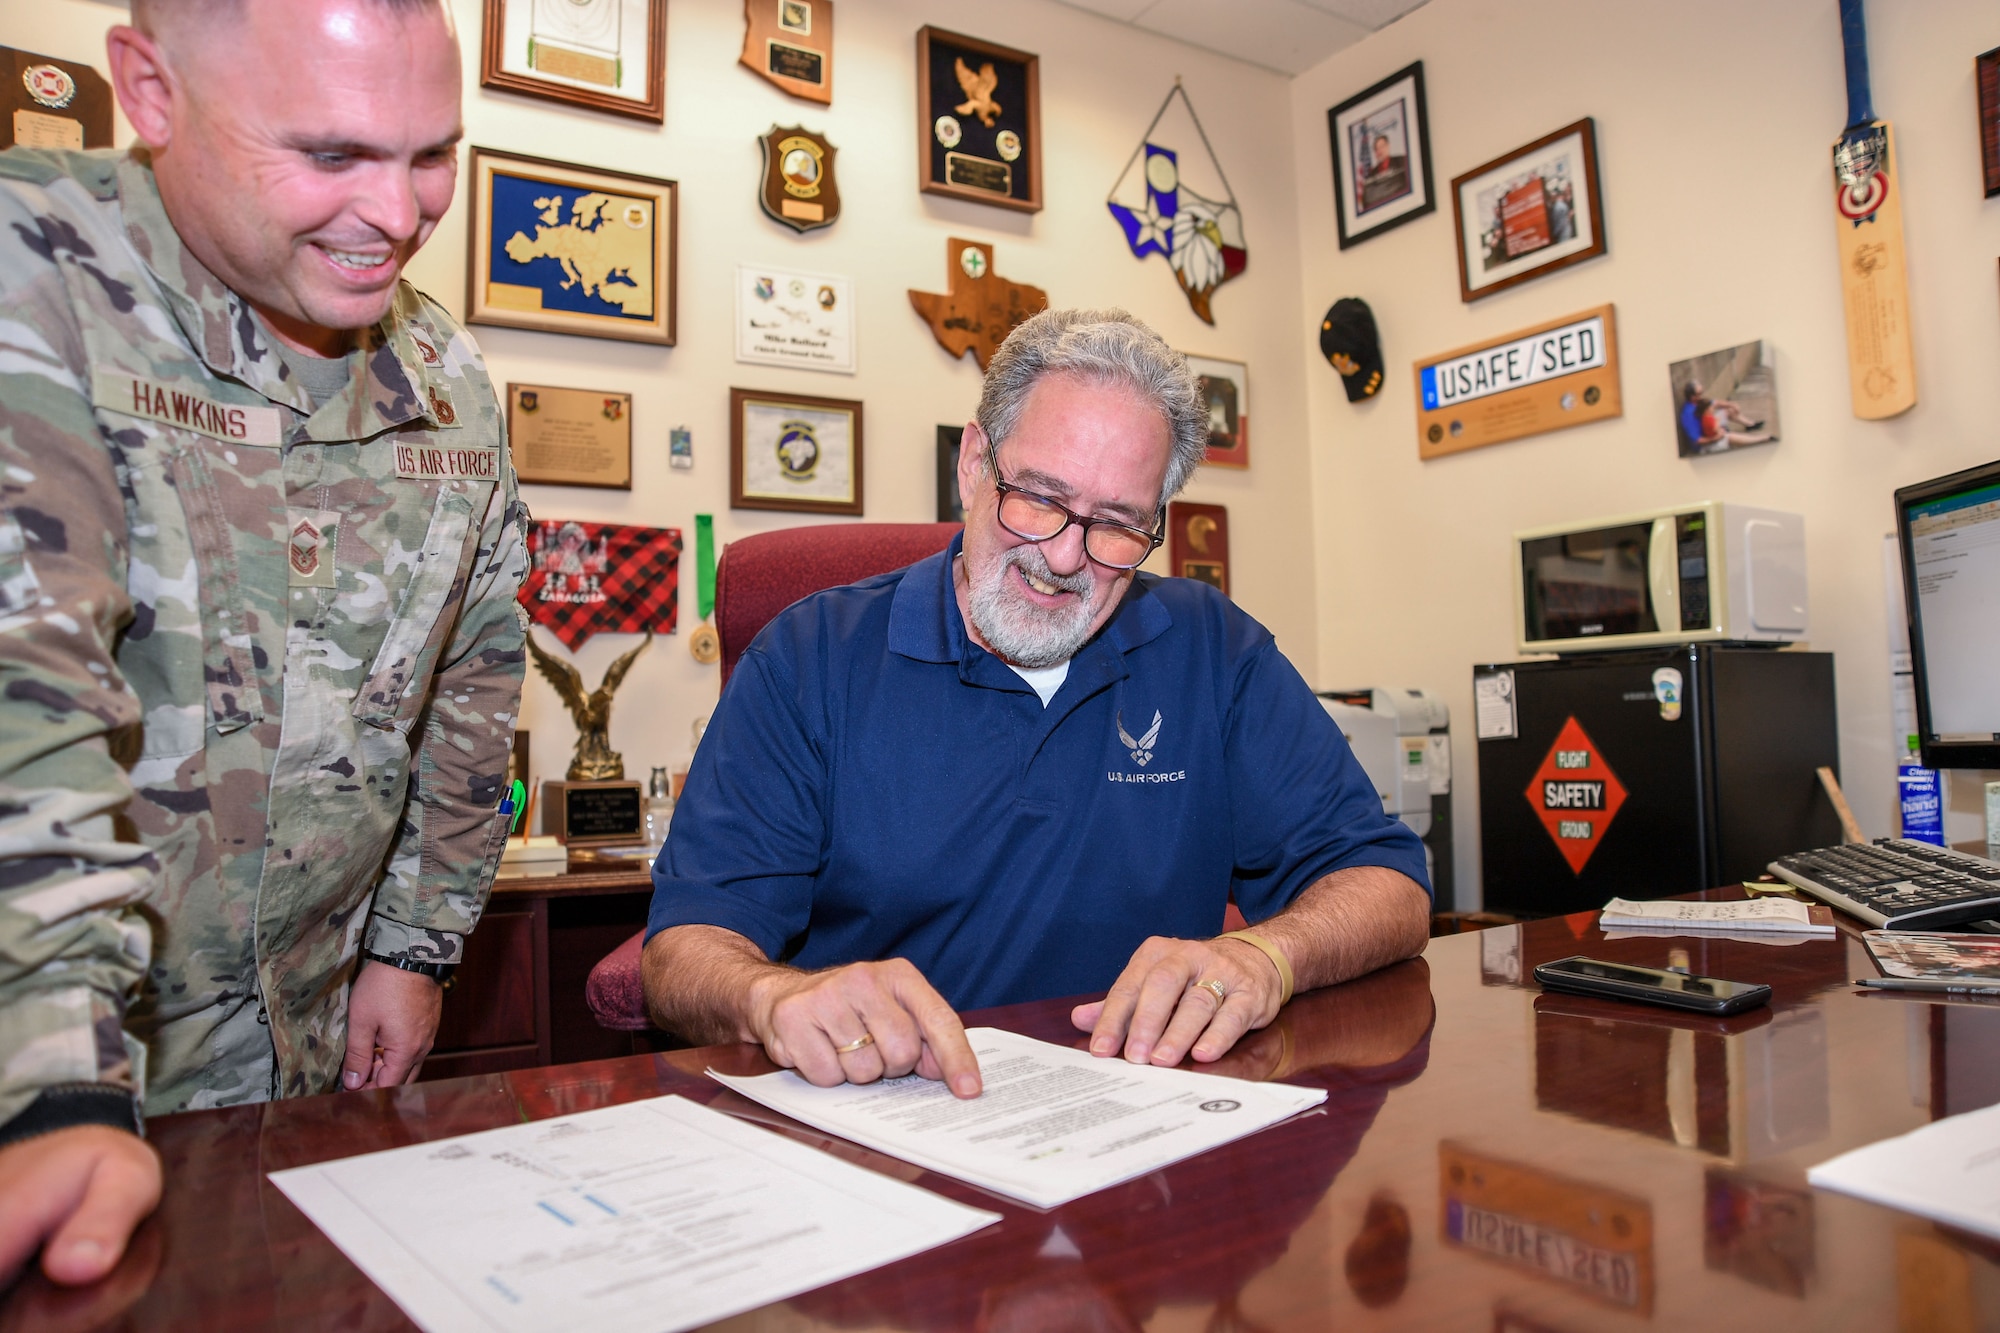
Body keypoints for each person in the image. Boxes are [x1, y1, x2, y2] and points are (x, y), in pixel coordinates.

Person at [0, 0, 527, 1289]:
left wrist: (414, 945)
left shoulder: (444, 372)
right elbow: (28, 687)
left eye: (429, 156)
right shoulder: (36, 270)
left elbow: (473, 676)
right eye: (333, 156)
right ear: (150, 89)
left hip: (297, 1072)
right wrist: (55, 1077)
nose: (399, 217)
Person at [644, 308, 1430, 1103]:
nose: (1062, 557)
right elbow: (683, 950)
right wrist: (770, 996)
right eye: (1039, 497)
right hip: (885, 1128)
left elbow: (1390, 882)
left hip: (1144, 1132)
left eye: (1117, 524)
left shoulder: (1212, 650)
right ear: (975, 463)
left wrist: (1268, 956)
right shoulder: (810, 656)